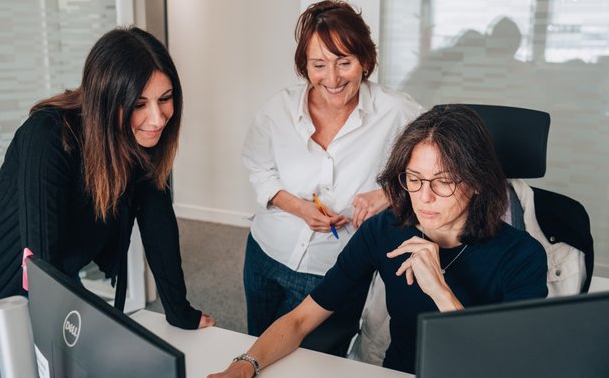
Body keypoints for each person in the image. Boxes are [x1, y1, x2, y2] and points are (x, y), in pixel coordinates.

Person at [211, 105, 547, 377]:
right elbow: (302, 319)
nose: (424, 197)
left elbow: (509, 365)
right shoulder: (385, 230)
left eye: (442, 182)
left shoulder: (522, 255)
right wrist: (244, 366)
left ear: (476, 182)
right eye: (414, 179)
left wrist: (440, 291)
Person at [0, 27, 214, 377]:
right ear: (106, 99)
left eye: (165, 98)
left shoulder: (138, 140)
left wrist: (179, 312)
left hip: (53, 269)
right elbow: (40, 263)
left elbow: (158, 223)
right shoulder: (50, 136)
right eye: (139, 103)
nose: (158, 118)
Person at [241, 0, 423, 347]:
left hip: (334, 270)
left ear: (365, 61)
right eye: (319, 65)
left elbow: (438, 164)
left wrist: (387, 194)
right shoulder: (276, 110)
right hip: (265, 253)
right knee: (258, 345)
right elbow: (259, 169)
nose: (333, 78)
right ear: (304, 67)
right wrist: (298, 207)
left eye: (344, 62)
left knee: (315, 364)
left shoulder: (397, 111)